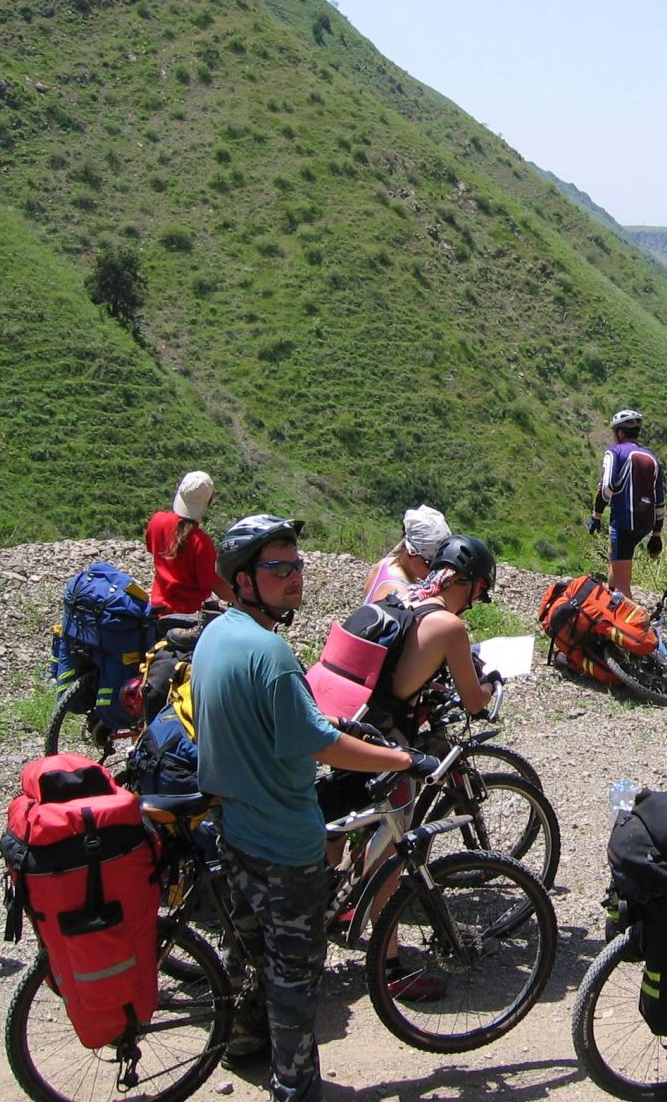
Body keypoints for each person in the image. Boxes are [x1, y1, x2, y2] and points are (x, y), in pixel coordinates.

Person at [192, 513, 441, 1102]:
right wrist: (404, 762)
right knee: (296, 977)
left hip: (235, 829)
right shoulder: (272, 654)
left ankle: (242, 1043)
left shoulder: (215, 637)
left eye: (297, 565)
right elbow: (324, 746)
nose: (294, 577)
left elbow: (276, 720)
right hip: (284, 841)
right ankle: (296, 1087)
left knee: (248, 947)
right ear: (244, 579)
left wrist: (321, 722)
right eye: (277, 568)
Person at [357, 533, 502, 741]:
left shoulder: (405, 597)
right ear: (477, 586)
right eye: (481, 595)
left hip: (357, 714)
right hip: (383, 732)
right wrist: (492, 680)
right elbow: (474, 702)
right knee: (428, 770)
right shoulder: (449, 626)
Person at [586, 408, 666, 597]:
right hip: (646, 523)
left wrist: (596, 515)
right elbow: (660, 502)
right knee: (615, 557)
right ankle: (611, 604)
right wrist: (656, 535)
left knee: (623, 586)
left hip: (624, 520)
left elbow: (606, 488)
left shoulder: (614, 453)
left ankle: (629, 622)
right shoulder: (652, 458)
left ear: (619, 433)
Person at [144, 470, 235, 615]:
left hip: (157, 609)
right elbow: (219, 589)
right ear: (210, 501)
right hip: (189, 616)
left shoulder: (156, 521)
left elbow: (153, 551)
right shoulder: (201, 543)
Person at [363, 504, 450, 603]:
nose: (433, 571)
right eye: (429, 563)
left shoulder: (384, 564)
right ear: (411, 552)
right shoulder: (403, 596)